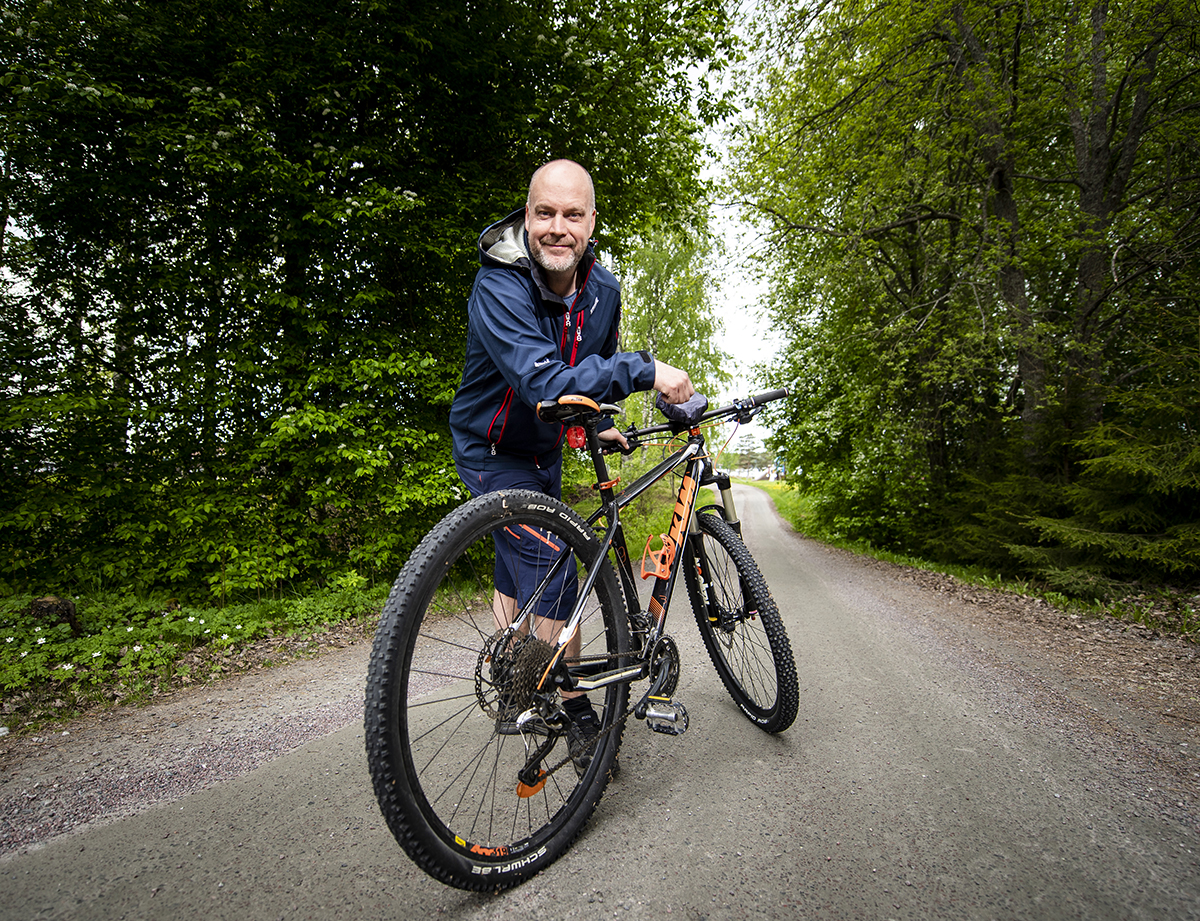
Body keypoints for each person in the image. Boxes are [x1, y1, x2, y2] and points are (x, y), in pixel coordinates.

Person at [449, 159, 694, 770]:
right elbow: (544, 380)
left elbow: (591, 373)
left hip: (548, 445)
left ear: (590, 223)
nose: (558, 228)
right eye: (545, 213)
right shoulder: (500, 284)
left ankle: (513, 670)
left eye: (572, 215)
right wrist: (646, 370)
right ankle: (574, 706)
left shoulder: (604, 292)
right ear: (527, 216)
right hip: (490, 447)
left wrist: (601, 421)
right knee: (555, 565)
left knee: (518, 566)